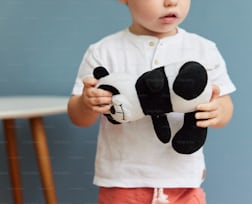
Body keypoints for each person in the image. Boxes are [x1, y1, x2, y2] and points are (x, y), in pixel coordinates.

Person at [67, 0, 236, 203]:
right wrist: (87, 103)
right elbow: (79, 118)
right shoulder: (103, 51)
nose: (171, 2)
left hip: (183, 183)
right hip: (123, 182)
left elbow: (225, 105)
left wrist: (217, 111)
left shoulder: (203, 49)